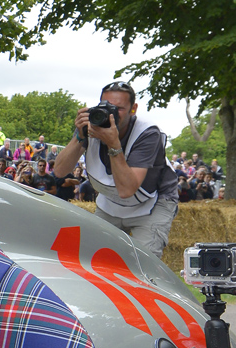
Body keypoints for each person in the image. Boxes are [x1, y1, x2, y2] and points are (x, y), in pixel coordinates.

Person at [53, 80, 178, 259]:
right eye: (106, 106)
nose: (110, 114)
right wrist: (79, 135)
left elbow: (127, 189)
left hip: (153, 200)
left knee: (144, 264)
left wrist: (113, 143)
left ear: (133, 109)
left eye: (119, 109)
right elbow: (59, 171)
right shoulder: (92, 126)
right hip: (111, 202)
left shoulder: (148, 133)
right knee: (93, 257)